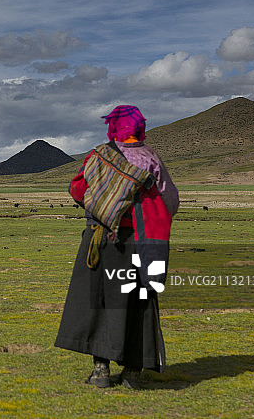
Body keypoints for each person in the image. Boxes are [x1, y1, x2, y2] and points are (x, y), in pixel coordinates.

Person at [54, 105, 179, 389]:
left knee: (100, 301)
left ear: (113, 127)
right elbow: (169, 200)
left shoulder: (99, 155)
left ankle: (100, 371)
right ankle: (133, 373)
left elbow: (78, 190)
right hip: (141, 243)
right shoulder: (151, 159)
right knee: (139, 302)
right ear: (140, 127)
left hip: (102, 239)